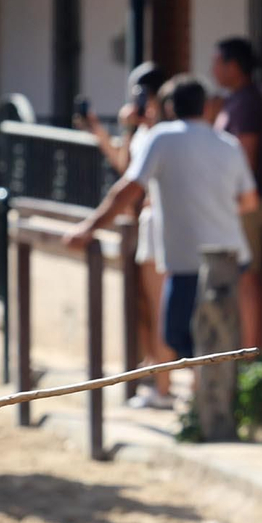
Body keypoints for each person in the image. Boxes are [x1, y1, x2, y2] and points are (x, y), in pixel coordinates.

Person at [67, 76, 258, 361]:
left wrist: (89, 227)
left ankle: (205, 401)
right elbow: (248, 201)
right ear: (206, 107)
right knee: (216, 341)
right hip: (230, 257)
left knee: (182, 337)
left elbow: (127, 190)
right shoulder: (228, 144)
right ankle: (206, 399)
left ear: (169, 108)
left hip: (189, 262)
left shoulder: (162, 138)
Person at [81, 62, 174, 407]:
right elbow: (125, 168)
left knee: (158, 304)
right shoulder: (143, 133)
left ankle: (163, 385)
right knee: (144, 306)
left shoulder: (164, 132)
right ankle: (155, 372)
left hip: (156, 223)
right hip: (139, 226)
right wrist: (112, 132)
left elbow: (133, 183)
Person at [211, 37, 262, 351]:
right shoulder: (238, 99)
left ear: (233, 66)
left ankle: (254, 358)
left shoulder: (248, 101)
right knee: (245, 279)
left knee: (249, 279)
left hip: (248, 203)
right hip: (243, 203)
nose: (213, 68)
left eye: (218, 61)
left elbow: (246, 158)